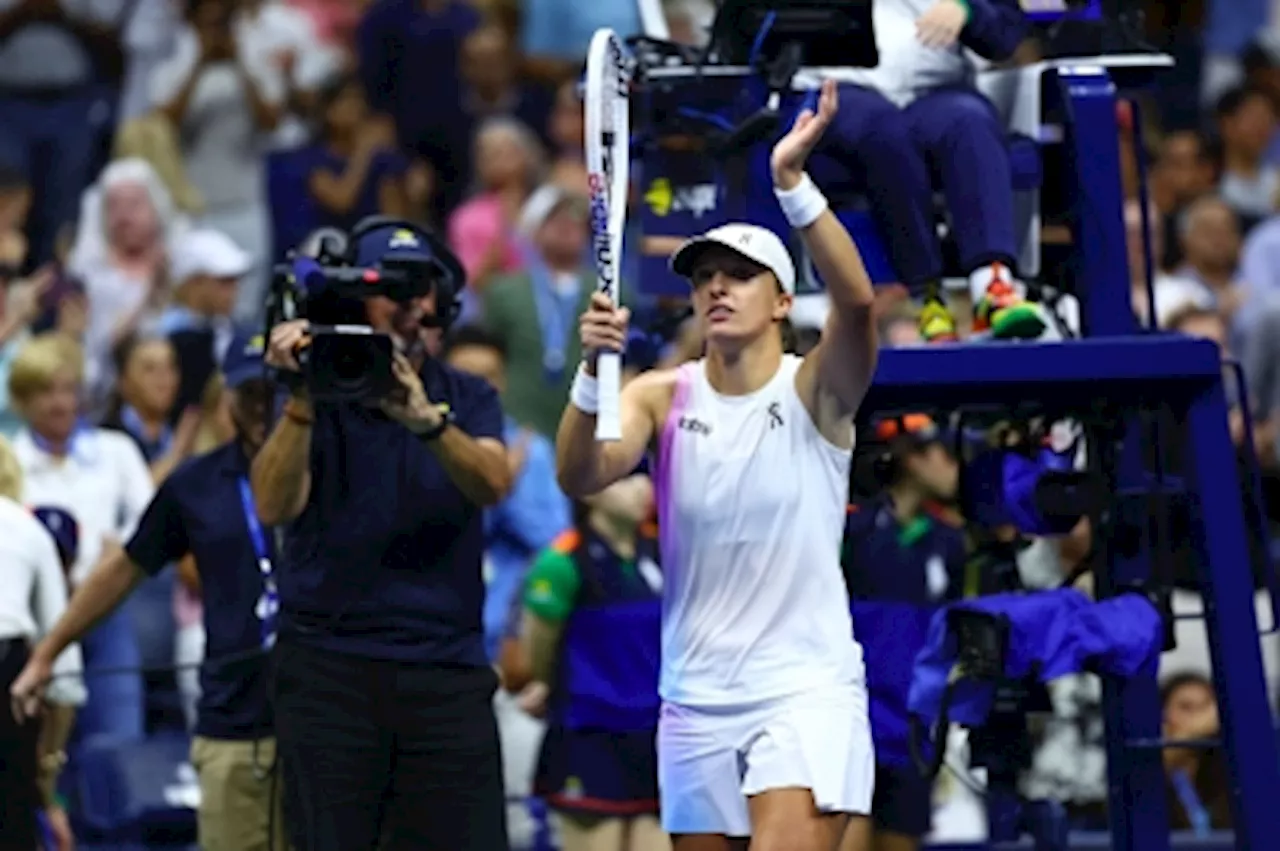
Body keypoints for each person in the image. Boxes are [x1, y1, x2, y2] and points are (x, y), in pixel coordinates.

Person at [556, 80, 877, 851]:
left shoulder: (817, 390)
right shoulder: (658, 395)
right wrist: (588, 370)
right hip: (694, 701)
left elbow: (859, 305)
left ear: (780, 301)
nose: (716, 288)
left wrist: (792, 186)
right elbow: (581, 473)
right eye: (704, 277)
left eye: (737, 275)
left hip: (803, 692)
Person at [252, 220, 512, 849]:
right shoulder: (314, 394)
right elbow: (272, 504)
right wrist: (302, 396)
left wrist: (425, 421)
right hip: (328, 669)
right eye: (390, 291)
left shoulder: (466, 394)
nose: (408, 307)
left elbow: (491, 483)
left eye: (420, 291)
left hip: (444, 668)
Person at [10, 334, 286, 851]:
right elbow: (126, 567)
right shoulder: (197, 482)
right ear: (225, 396)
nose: (262, 407)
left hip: (328, 715)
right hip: (235, 718)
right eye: (249, 393)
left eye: (276, 392)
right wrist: (48, 653)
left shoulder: (337, 467)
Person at [519, 473, 667, 851]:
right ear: (589, 495)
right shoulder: (563, 560)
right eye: (624, 482)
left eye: (643, 480)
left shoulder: (662, 552)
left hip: (654, 734)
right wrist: (547, 683)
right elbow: (539, 642)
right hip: (589, 733)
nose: (641, 490)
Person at [0, 438, 84, 851]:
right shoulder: (26, 527)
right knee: (12, 824)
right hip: (7, 675)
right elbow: (63, 660)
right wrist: (48, 785)